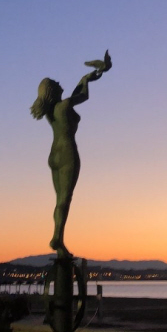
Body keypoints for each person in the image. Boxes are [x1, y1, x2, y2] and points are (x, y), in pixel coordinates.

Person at [31, 58, 109, 258]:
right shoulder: (64, 105)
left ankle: (57, 238)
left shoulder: (51, 111)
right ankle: (57, 238)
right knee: (65, 199)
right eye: (56, 83)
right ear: (52, 90)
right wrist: (87, 80)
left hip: (54, 155)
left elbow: (73, 96)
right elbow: (82, 96)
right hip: (67, 153)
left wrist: (85, 78)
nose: (60, 84)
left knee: (60, 200)